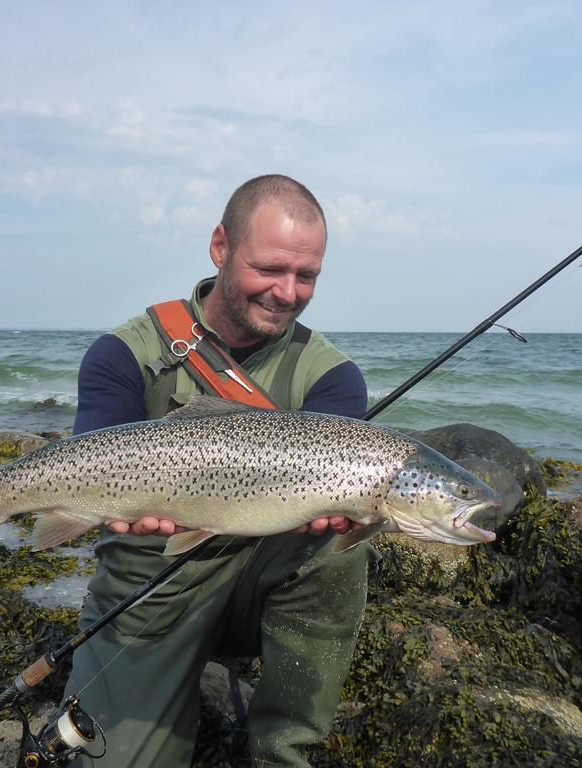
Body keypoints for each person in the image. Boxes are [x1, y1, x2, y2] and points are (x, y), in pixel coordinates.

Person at [64, 174, 370, 768]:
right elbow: (88, 463)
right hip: (149, 588)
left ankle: (285, 750)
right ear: (220, 247)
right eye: (269, 269)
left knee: (341, 548)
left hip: (260, 584)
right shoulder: (123, 354)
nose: (287, 292)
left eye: (305, 276)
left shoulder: (332, 376)